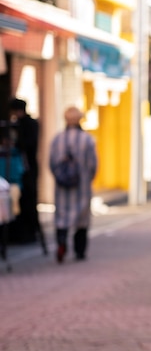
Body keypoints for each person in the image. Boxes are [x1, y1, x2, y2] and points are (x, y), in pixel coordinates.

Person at [49, 106, 97, 263]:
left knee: (61, 216)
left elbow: (51, 163)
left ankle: (62, 243)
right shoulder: (87, 139)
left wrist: (59, 176)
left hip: (62, 186)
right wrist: (88, 178)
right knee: (81, 220)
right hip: (81, 186)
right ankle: (79, 251)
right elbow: (93, 164)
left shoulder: (57, 139)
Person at [8, 98, 44, 246]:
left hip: (27, 168)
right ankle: (21, 232)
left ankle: (30, 232)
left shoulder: (29, 124)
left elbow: (29, 145)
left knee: (28, 199)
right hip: (21, 168)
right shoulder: (18, 125)